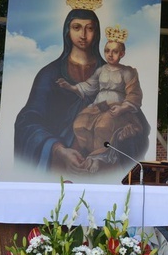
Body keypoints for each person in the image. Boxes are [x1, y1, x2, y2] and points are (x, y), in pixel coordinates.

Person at [14, 0, 149, 176]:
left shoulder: (117, 72)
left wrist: (127, 132)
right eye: (77, 27)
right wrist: (58, 149)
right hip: (61, 168)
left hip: (104, 170)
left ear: (97, 32)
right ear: (67, 30)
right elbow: (27, 122)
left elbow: (137, 119)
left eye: (90, 28)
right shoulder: (49, 74)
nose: (83, 35)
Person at [57, 25, 149, 172]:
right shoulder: (101, 70)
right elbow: (89, 86)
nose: (110, 54)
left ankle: (98, 158)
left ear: (122, 54)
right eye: (107, 51)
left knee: (103, 127)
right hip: (98, 107)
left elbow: (134, 94)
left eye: (115, 51)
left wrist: (122, 108)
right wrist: (70, 87)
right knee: (79, 124)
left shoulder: (128, 72)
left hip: (117, 110)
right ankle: (88, 155)